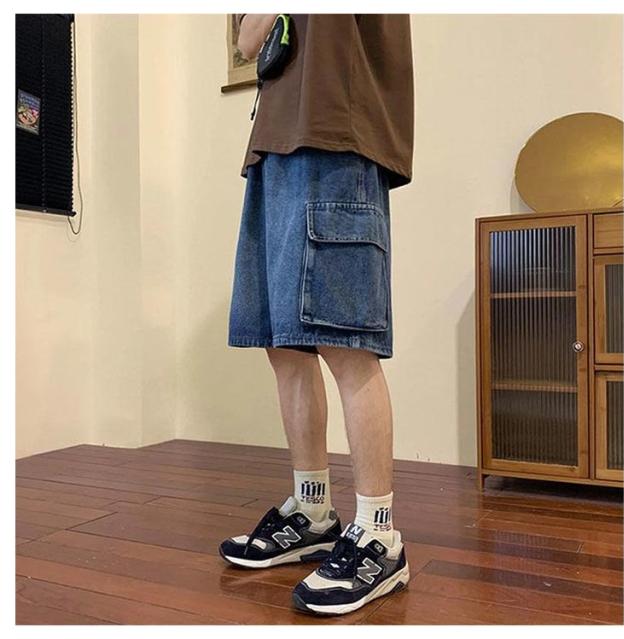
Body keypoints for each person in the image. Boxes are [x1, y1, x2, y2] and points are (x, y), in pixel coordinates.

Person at [219, 13, 414, 616]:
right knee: (284, 343)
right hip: (273, 148)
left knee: (347, 343)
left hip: (337, 140)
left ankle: (379, 534)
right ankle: (312, 510)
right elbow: (247, 39)